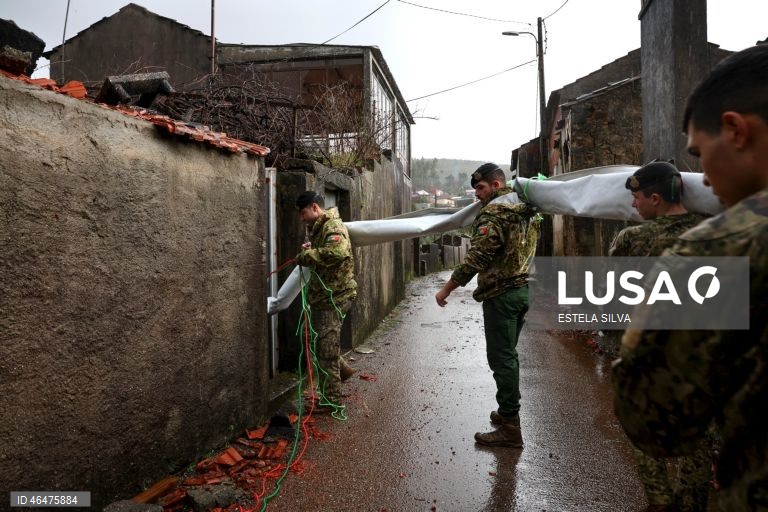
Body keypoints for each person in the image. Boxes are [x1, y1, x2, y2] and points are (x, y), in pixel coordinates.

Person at [612, 44, 768, 511]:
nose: (704, 174)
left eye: (700, 154)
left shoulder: (721, 243)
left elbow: (654, 420)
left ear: (735, 130)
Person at [609, 161, 712, 512]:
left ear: (656, 198)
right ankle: (691, 504)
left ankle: (661, 501)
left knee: (643, 431)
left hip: (651, 359)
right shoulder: (711, 232)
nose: (634, 205)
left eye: (637, 197)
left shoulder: (631, 239)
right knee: (699, 438)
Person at [435, 163, 540, 448]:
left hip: (501, 295)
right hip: (522, 291)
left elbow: (478, 257)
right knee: (508, 354)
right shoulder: (526, 209)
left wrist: (447, 288)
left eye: (481, 188)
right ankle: (507, 413)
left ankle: (510, 426)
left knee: (502, 359)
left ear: (496, 185)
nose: (477, 195)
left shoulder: (494, 213)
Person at [295, 191, 358, 412]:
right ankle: (343, 371)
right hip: (325, 297)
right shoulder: (321, 228)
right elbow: (326, 252)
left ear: (314, 207)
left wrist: (308, 256)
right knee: (318, 342)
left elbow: (338, 252)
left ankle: (332, 401)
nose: (302, 218)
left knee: (326, 350)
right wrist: (312, 250)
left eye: (303, 213)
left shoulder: (332, 226)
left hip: (335, 297)